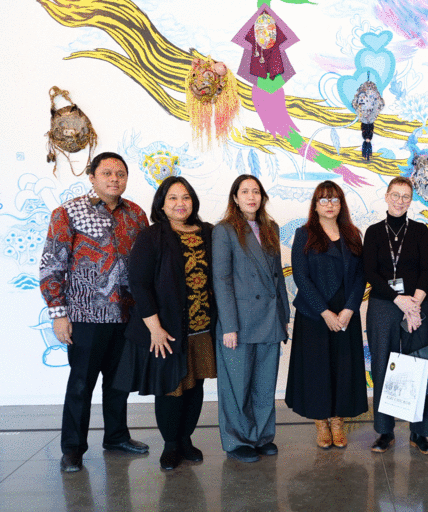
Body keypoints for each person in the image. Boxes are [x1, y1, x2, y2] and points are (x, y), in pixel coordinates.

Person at [39, 152, 150, 473]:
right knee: (81, 384)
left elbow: (145, 265)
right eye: (107, 173)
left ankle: (116, 437)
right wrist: (58, 314)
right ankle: (72, 448)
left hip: (127, 316)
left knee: (118, 383)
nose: (115, 178)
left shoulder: (136, 215)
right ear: (92, 176)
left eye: (120, 173)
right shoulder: (68, 212)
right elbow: (51, 266)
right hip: (86, 317)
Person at [116, 176, 217, 470]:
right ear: (162, 203)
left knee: (195, 384)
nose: (180, 203)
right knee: (170, 387)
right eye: (172, 198)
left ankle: (186, 440)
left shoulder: (209, 232)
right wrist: (155, 328)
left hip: (202, 327)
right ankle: (171, 445)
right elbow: (139, 282)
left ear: (193, 201)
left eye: (185, 197)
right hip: (167, 330)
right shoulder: (152, 235)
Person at [212, 175, 290, 463]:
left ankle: (262, 436)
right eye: (245, 191)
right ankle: (237, 440)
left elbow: (278, 275)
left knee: (264, 383)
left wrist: (284, 315)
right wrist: (229, 326)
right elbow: (222, 280)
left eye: (255, 191)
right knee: (237, 385)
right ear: (235, 197)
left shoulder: (271, 228)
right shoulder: (224, 230)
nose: (251, 196)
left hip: (270, 318)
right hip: (240, 322)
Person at [286, 180, 367, 449]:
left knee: (343, 369)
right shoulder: (304, 234)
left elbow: (360, 276)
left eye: (334, 199)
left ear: (341, 203)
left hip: (346, 315)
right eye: (323, 199)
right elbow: (301, 276)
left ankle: (337, 421)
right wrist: (324, 312)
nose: (329, 204)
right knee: (317, 370)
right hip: (314, 316)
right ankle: (321, 423)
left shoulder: (353, 234)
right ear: (315, 205)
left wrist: (348, 310)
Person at [364, 177, 428, 455]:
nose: (400, 200)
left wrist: (414, 303)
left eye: (406, 196)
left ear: (411, 200)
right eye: (396, 195)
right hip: (384, 306)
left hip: (417, 305)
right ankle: (385, 432)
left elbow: (426, 271)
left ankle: (420, 432)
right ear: (386, 196)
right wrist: (398, 299)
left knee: (419, 366)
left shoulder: (419, 231)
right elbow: (370, 272)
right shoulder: (372, 232)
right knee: (383, 366)